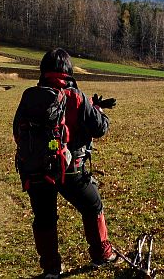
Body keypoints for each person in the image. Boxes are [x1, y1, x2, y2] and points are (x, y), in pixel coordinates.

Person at [13, 48, 117, 279]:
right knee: (93, 206)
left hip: (36, 170)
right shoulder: (75, 96)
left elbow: (17, 131)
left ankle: (51, 270)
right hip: (70, 171)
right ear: (68, 70)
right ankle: (102, 254)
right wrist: (97, 110)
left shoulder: (31, 97)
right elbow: (100, 128)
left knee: (44, 219)